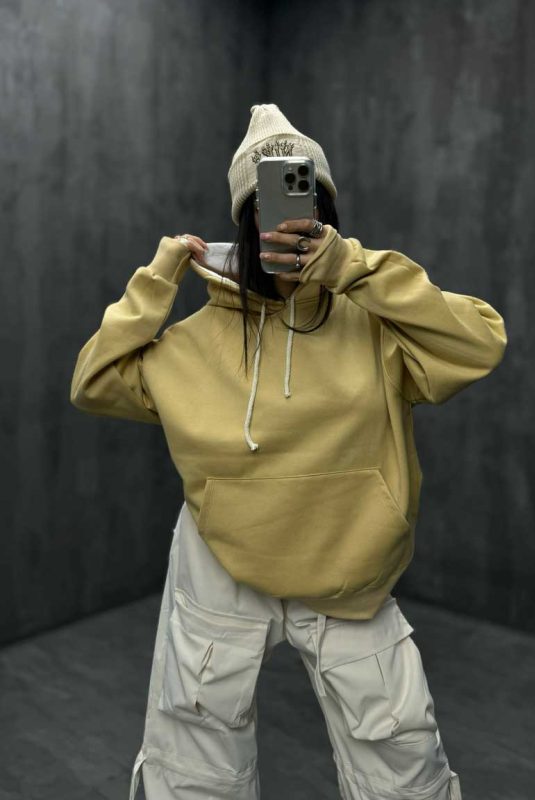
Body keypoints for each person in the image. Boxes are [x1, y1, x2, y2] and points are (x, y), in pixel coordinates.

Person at [70, 103, 508, 799]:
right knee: (197, 769)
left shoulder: (375, 325)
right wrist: (157, 281)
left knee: (402, 767)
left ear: (325, 213)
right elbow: (92, 384)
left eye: (307, 201)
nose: (286, 222)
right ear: (246, 220)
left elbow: (480, 343)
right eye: (266, 207)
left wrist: (352, 266)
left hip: (350, 566)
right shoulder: (192, 342)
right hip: (222, 564)